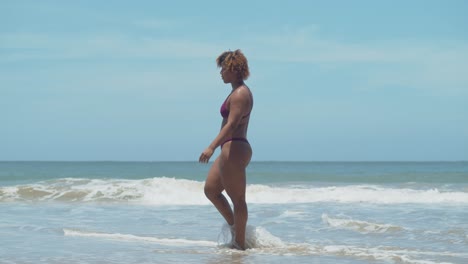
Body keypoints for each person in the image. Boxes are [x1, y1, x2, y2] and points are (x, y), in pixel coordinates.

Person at [199, 49, 253, 250]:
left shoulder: (240, 93)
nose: (220, 72)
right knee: (211, 190)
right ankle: (236, 230)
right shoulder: (235, 92)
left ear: (233, 69)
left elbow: (232, 124)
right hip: (229, 149)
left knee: (238, 199)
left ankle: (240, 245)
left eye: (223, 68)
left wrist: (211, 147)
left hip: (235, 147)